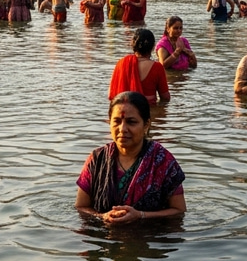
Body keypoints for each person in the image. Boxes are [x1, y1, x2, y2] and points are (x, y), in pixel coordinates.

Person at [76, 91, 185, 223]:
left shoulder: (163, 162)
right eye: (116, 121)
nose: (122, 129)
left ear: (146, 125)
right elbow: (81, 207)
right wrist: (102, 217)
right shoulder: (97, 160)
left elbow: (179, 210)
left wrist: (141, 215)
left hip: (150, 233)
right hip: (103, 233)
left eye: (131, 122)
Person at [108, 28, 169, 104]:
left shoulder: (121, 63)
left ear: (133, 44)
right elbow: (165, 97)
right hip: (147, 109)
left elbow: (112, 94)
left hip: (123, 108)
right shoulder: (157, 67)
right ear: (153, 47)